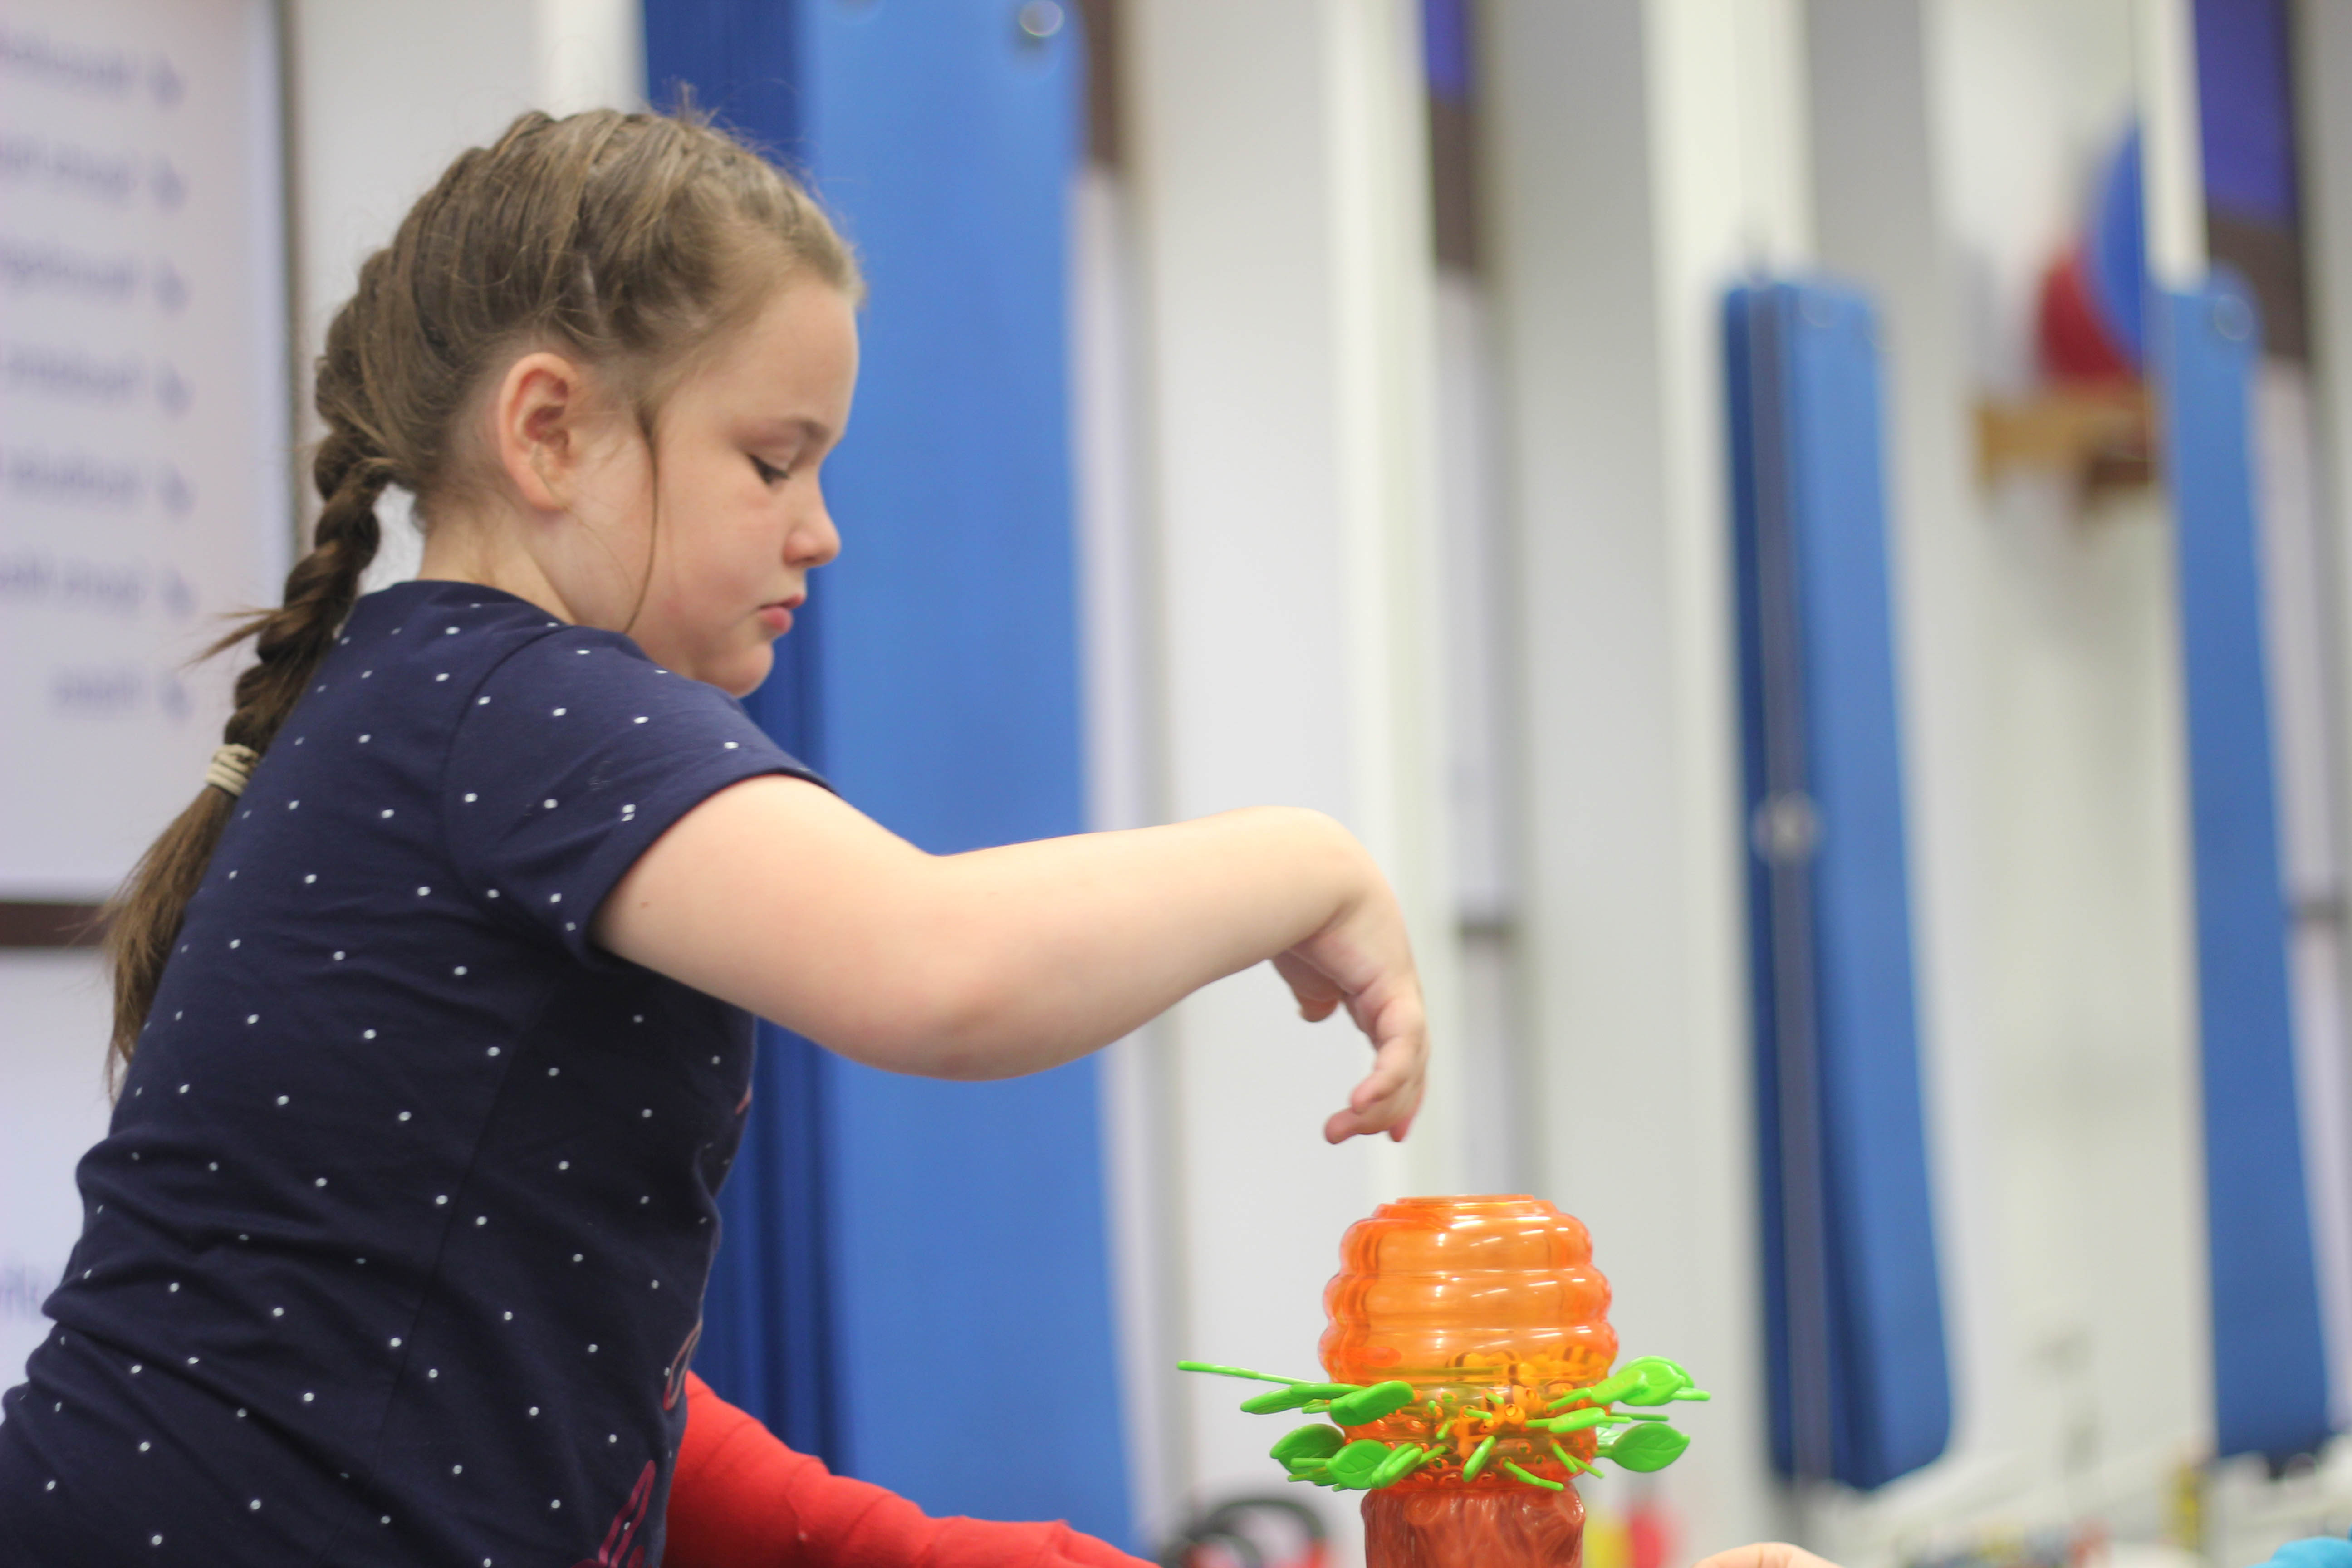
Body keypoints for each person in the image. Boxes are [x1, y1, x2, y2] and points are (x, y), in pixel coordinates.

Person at [0, 108, 1425, 1567]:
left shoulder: (423, 697)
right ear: (550, 432)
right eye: (771, 462)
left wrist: (899, 1546)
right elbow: (939, 969)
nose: (821, 530)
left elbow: (535, 1349)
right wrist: (1303, 858)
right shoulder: (522, 702)